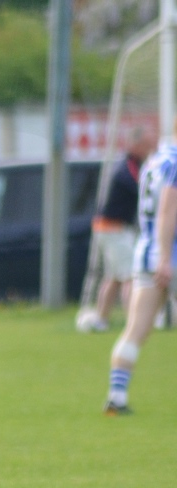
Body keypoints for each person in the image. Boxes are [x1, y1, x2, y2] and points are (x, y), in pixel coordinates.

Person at [104, 132, 177, 415]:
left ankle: (116, 397)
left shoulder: (153, 161)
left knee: (135, 330)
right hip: (168, 256)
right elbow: (168, 212)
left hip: (145, 253)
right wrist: (164, 259)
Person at [78, 126, 155, 333]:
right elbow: (143, 189)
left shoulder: (132, 165)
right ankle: (134, 322)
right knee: (130, 276)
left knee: (112, 277)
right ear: (136, 145)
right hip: (114, 229)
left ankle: (101, 320)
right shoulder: (128, 167)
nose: (151, 149)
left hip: (108, 228)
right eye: (148, 145)